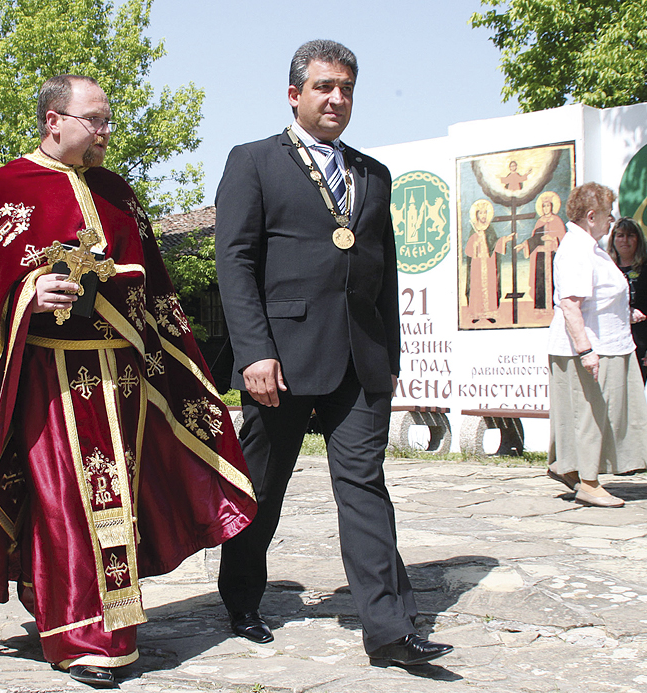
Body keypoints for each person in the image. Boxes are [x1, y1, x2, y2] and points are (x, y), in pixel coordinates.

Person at [0, 74, 256, 689]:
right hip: (48, 377)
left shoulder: (118, 192)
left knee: (116, 502)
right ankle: (87, 636)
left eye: (108, 121)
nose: (106, 132)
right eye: (94, 120)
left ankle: (96, 618)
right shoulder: (6, 189)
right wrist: (26, 294)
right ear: (54, 120)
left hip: (123, 379)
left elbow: (155, 286)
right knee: (66, 501)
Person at [214, 40, 452, 670]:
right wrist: (253, 354)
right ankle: (240, 599)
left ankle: (389, 630)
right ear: (295, 94)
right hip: (281, 363)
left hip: (359, 360)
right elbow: (234, 264)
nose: (337, 99)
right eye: (324, 87)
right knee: (260, 488)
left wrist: (391, 354)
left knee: (365, 488)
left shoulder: (374, 174)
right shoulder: (254, 161)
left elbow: (385, 269)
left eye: (346, 88)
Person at [546, 182, 647, 508]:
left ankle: (573, 471)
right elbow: (570, 304)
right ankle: (589, 482)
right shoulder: (577, 249)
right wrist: (586, 350)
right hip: (590, 347)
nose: (613, 221)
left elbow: (598, 297)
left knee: (592, 413)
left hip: (607, 342)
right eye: (609, 215)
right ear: (591, 215)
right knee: (591, 414)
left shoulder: (589, 247)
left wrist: (626, 313)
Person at [607, 217, 647, 383]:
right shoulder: (605, 267)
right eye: (620, 235)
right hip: (608, 341)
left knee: (633, 397)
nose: (624, 240)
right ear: (612, 239)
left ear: (638, 239)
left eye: (630, 235)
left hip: (639, 341)